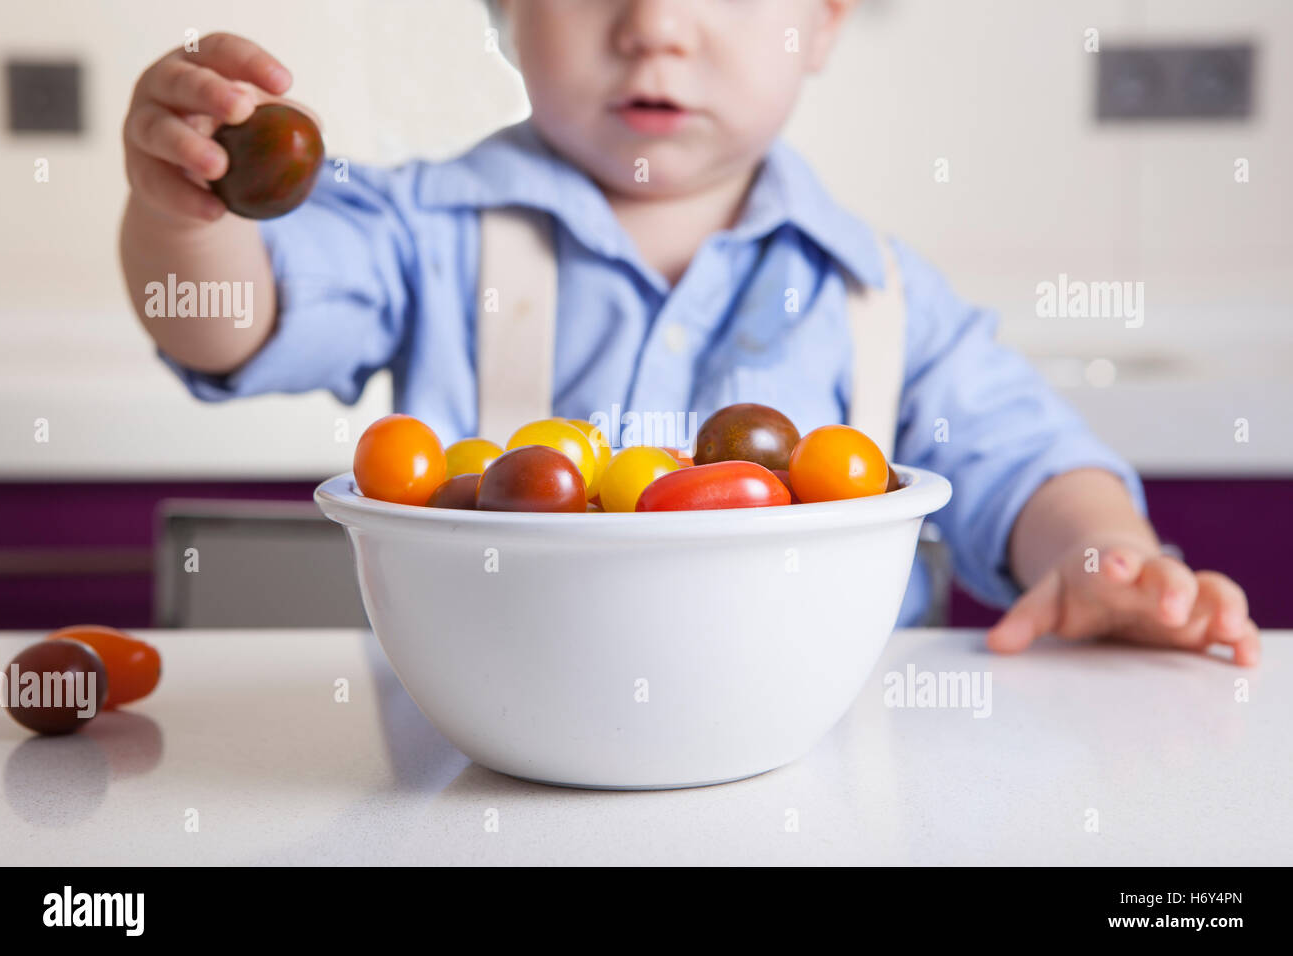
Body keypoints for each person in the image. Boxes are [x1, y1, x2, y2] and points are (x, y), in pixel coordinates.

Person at [119, 1, 1258, 664]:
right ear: (504, 14)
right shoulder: (424, 234)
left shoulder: (883, 295)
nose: (653, 24)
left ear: (823, 20)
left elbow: (1032, 465)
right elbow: (232, 322)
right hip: (479, 787)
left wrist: (1104, 561)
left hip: (818, 795)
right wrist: (188, 213)